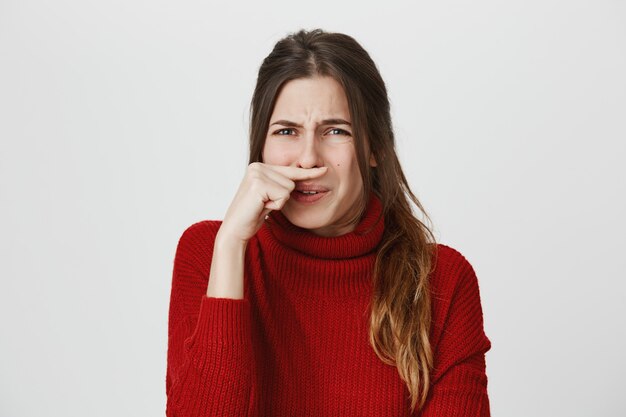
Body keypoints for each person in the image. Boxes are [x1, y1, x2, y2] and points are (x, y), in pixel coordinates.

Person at [166, 29, 491, 416]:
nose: (307, 159)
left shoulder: (442, 280)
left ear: (376, 148)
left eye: (335, 130)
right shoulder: (210, 253)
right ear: (261, 147)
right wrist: (231, 244)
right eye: (286, 131)